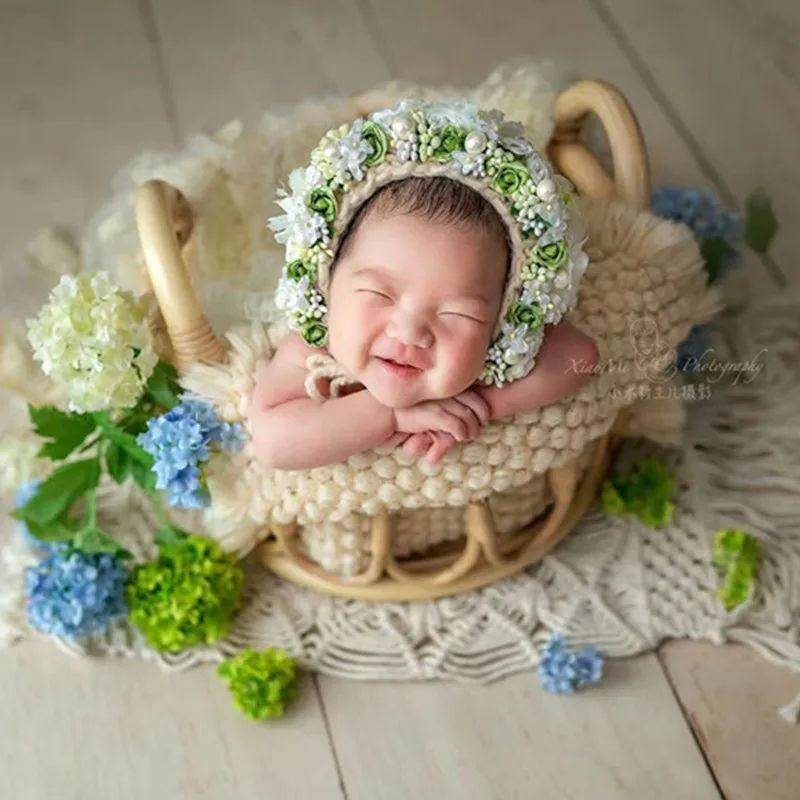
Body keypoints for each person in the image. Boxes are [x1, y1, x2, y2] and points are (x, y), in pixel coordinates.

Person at [249, 99, 599, 470]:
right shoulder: (313, 352)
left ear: (504, 318)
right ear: (326, 280)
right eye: (378, 294)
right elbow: (273, 443)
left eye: (456, 313)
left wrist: (483, 406)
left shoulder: (490, 355)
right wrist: (389, 415)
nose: (411, 332)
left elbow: (581, 357)